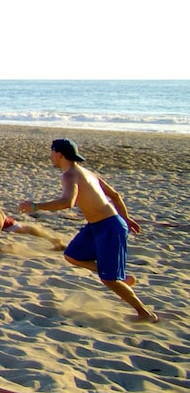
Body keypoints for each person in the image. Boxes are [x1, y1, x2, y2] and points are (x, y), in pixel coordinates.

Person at [19, 138, 157, 322]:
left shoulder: (70, 175)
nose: (50, 156)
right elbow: (115, 196)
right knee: (72, 255)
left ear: (59, 154)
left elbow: (68, 202)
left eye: (52, 152)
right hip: (97, 226)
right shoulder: (87, 173)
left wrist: (35, 206)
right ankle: (120, 279)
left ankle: (145, 313)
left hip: (109, 227)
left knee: (108, 279)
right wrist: (126, 218)